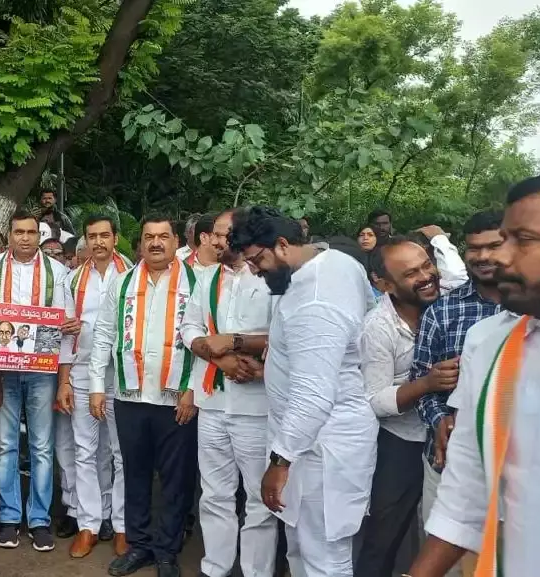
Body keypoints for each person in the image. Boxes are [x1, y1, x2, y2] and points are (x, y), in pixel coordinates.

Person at [407, 175, 540, 576]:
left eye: (523, 240)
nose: (501, 257)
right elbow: (465, 492)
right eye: (505, 239)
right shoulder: (490, 342)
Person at [229, 206, 377, 577]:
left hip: (321, 447)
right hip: (307, 440)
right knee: (301, 546)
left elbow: (313, 395)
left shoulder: (316, 300)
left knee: (324, 556)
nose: (255, 270)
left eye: (257, 260)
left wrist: (279, 463)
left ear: (282, 245)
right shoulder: (336, 262)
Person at [90, 213, 199, 577]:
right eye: (149, 236)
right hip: (130, 396)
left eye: (163, 236)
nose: (155, 243)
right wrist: (96, 387)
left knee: (175, 478)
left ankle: (167, 550)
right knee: (134, 473)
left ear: (175, 242)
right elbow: (104, 335)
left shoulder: (196, 282)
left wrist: (192, 390)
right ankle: (139, 545)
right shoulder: (122, 283)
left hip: (176, 399)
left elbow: (203, 340)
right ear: (139, 243)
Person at [181, 209, 276, 577]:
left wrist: (243, 352)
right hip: (213, 402)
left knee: (258, 496)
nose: (217, 241)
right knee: (215, 493)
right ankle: (215, 568)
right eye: (214, 235)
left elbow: (284, 335)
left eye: (224, 234)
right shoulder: (206, 278)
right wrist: (220, 359)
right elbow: (189, 329)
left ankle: (256, 571)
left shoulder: (269, 279)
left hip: (257, 404)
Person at [411, 209, 504, 577]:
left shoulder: (532, 309)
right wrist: (440, 422)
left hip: (516, 470)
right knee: (445, 562)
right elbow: (422, 381)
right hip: (448, 462)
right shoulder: (443, 311)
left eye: (493, 246)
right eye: (474, 248)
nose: (483, 256)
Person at [354, 237, 446, 576]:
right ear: (384, 285)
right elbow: (374, 400)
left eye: (427, 265)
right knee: (384, 538)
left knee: (448, 534)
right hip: (401, 443)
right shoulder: (377, 328)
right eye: (411, 274)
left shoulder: (448, 306)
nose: (426, 277)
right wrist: (425, 384)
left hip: (448, 438)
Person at [0, 209, 74, 552]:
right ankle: (9, 516)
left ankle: (39, 519)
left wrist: (64, 377)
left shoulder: (57, 271)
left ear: (40, 236)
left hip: (41, 371)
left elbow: (64, 327)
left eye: (31, 232)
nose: (25, 237)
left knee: (41, 446)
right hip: (3, 369)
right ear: (9, 235)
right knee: (6, 444)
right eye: (18, 232)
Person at [57, 214, 133, 559]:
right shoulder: (72, 279)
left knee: (120, 452)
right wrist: (64, 381)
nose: (98, 242)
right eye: (92, 236)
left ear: (115, 238)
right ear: (85, 241)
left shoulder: (131, 275)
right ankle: (88, 524)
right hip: (83, 372)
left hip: (122, 373)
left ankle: (121, 525)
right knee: (84, 450)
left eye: (104, 235)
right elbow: (64, 334)